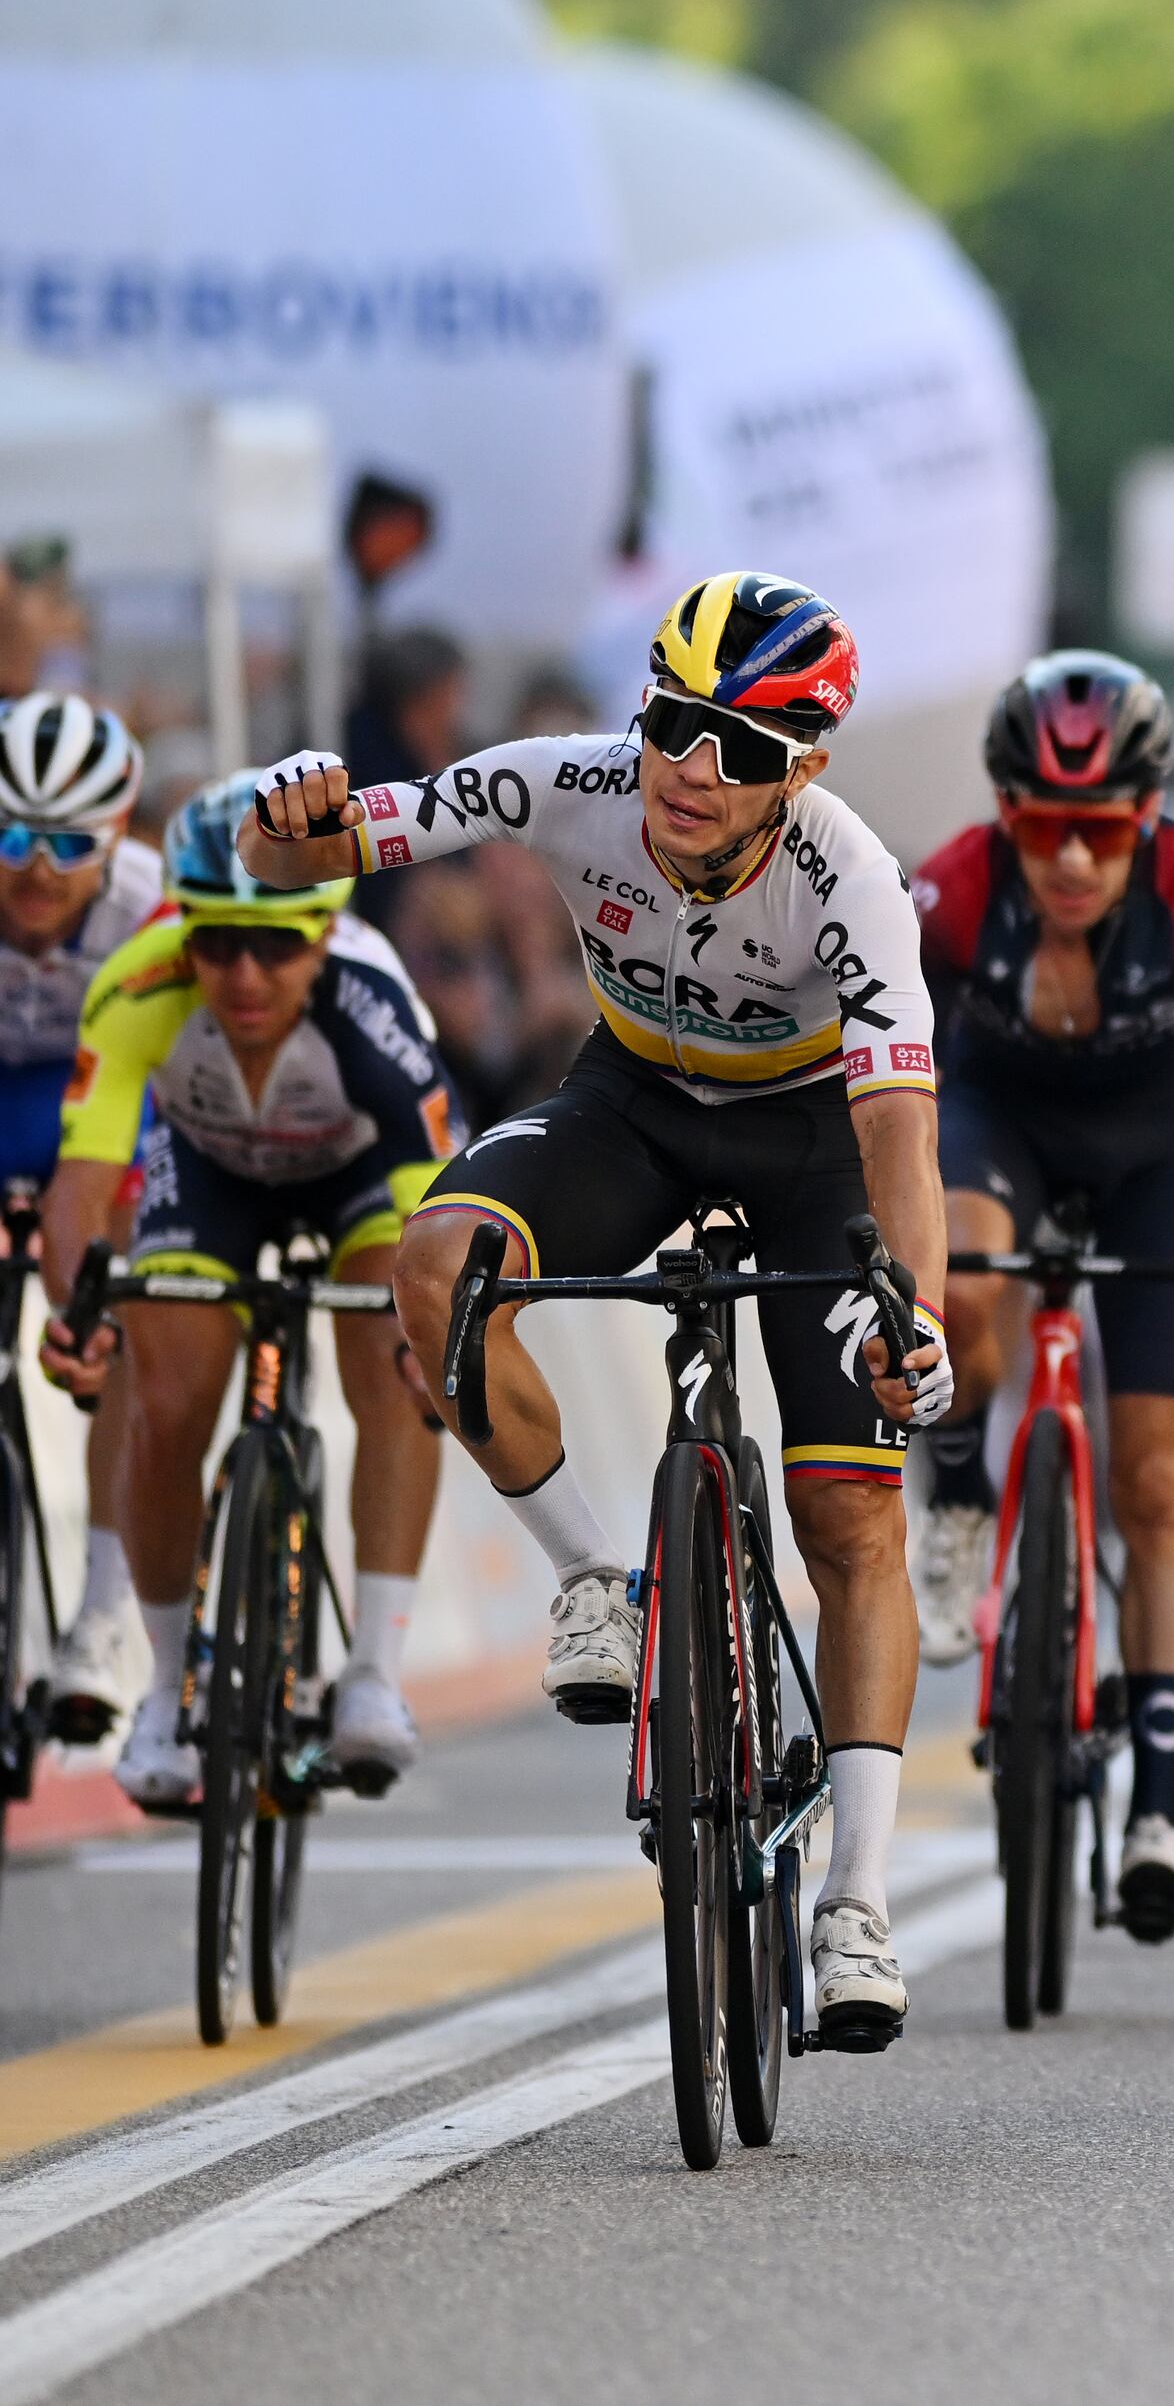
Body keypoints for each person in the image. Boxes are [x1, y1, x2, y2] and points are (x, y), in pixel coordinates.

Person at [248, 569, 957, 2052]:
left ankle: (860, 1901)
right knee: (435, 1266)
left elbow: (900, 1131)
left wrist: (914, 1311)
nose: (696, 772)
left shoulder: (851, 878)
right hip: (630, 1102)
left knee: (854, 1522)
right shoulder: (559, 781)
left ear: (803, 770)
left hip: (814, 1136)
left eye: (746, 750)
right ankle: (602, 1582)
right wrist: (286, 818)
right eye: (676, 726)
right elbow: (323, 847)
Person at [906, 653, 1174, 1942]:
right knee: (956, 1289)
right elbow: (898, 1095)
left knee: (1158, 1487)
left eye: (1102, 832)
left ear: (1149, 819)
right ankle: (955, 1486)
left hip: (1154, 1151)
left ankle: (1159, 1814)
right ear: (1005, 815)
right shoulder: (945, 894)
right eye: (1044, 829)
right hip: (996, 1123)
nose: (1070, 862)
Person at [33, 783, 461, 1801]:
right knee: (166, 1397)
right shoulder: (137, 988)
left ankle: (372, 1678)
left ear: (327, 927)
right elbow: (81, 1191)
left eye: (276, 946)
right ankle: (171, 1686)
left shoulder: (374, 1003)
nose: (243, 974)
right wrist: (73, 1316)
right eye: (216, 942)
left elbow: (433, 1216)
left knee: (402, 1367)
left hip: (362, 1181)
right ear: (180, 929)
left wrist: (432, 1331)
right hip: (211, 1170)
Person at [0, 691, 163, 1741]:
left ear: (116, 843)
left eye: (70, 844)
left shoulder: (155, 909)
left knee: (124, 1299)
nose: (40, 869)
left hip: (100, 1093)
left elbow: (149, 1099)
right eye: (14, 835)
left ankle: (104, 1612)